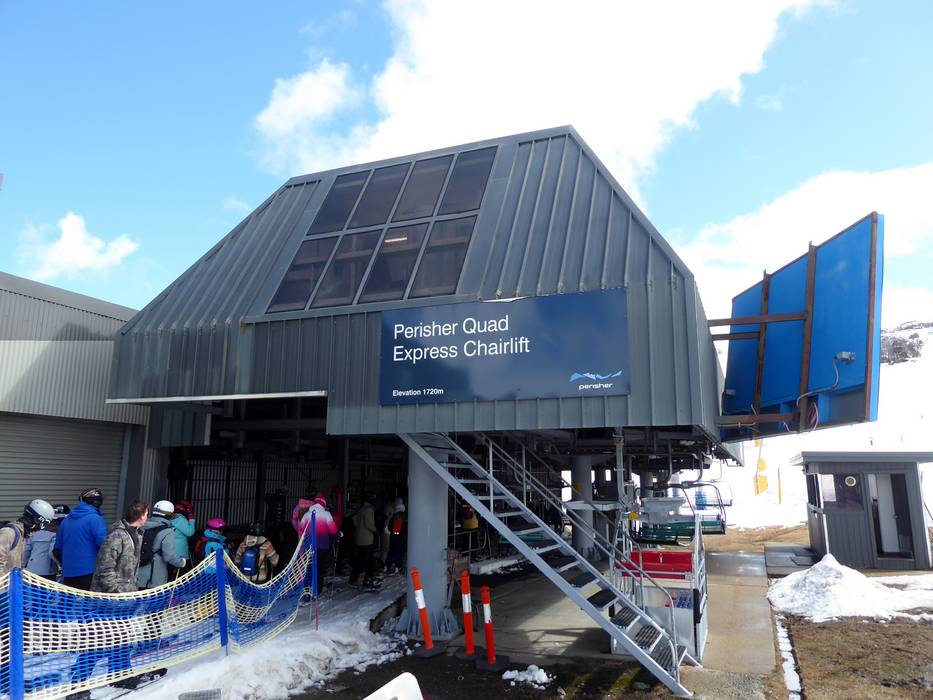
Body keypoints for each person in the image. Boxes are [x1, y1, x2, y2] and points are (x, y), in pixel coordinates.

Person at [67, 502, 157, 699]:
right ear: (141, 515)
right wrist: (115, 592)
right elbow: (105, 568)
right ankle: (77, 685)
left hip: (125, 599)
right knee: (98, 641)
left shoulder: (136, 534)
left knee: (122, 638)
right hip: (108, 600)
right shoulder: (117, 536)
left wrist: (129, 594)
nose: (147, 517)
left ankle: (120, 675)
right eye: (146, 514)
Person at [55, 488, 108, 590]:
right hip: (89, 571)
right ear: (98, 502)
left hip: (68, 573)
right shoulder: (95, 519)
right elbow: (104, 546)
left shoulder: (66, 520)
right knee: (89, 600)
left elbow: (57, 549)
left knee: (69, 600)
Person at [138, 500, 186, 589]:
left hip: (137, 576)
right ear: (170, 515)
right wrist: (181, 562)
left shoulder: (140, 527)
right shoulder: (167, 531)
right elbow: (169, 557)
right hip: (155, 578)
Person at [0, 499, 55, 576]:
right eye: (42, 524)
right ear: (36, 520)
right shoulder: (9, 532)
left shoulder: (23, 535)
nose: (41, 528)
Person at [299, 494, 338, 592]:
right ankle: (317, 590)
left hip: (309, 546)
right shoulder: (326, 514)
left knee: (309, 568)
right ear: (323, 503)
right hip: (322, 547)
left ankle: (307, 589)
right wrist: (338, 534)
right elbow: (333, 530)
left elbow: (301, 530)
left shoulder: (307, 515)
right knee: (320, 568)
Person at [26, 504, 69, 580]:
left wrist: (25, 566)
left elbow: (26, 551)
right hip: (47, 572)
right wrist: (62, 564)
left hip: (30, 570)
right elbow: (52, 553)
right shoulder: (55, 534)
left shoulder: (35, 534)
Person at [349, 493, 378, 588]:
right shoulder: (369, 509)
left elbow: (355, 522)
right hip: (367, 539)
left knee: (368, 560)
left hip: (360, 539)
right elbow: (369, 524)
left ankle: (369, 577)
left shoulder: (361, 509)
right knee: (364, 561)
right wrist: (376, 530)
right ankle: (355, 579)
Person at [170, 500, 196, 575]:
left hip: (170, 550)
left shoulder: (171, 518)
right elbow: (190, 532)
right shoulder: (180, 519)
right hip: (179, 552)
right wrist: (191, 518)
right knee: (179, 575)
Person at [384, 499, 406, 575]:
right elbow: (405, 529)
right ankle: (397, 567)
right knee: (399, 552)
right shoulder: (404, 518)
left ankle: (386, 566)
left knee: (391, 552)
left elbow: (389, 527)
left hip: (393, 537)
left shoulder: (393, 517)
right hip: (400, 538)